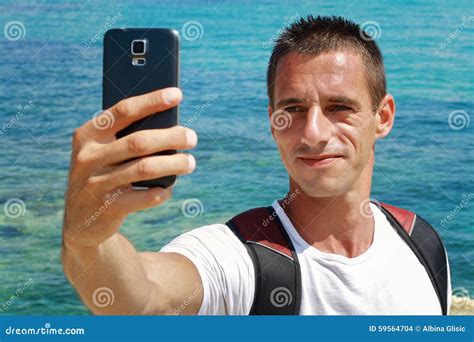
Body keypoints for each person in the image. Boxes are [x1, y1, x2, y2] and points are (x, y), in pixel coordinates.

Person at [62, 15, 451, 315]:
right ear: (273, 121)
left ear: (382, 117)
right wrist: (86, 240)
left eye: (339, 108)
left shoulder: (423, 245)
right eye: (293, 110)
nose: (313, 132)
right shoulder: (242, 258)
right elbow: (145, 300)